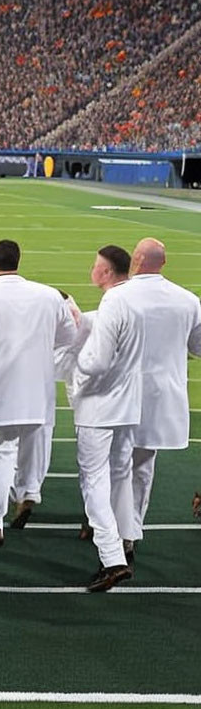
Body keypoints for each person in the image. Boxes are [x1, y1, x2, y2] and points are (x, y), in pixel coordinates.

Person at [0, 240, 76, 546]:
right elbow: (68, 336)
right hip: (38, 384)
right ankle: (29, 492)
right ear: (18, 261)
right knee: (36, 442)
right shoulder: (49, 295)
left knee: (2, 451)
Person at [119, 238, 201, 559]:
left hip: (121, 395)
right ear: (163, 263)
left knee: (115, 465)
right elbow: (198, 347)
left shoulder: (119, 296)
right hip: (163, 396)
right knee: (142, 465)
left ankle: (118, 530)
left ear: (135, 260)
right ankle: (132, 529)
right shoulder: (188, 300)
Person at [71, 246, 145, 592]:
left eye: (96, 265)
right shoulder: (136, 298)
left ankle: (112, 556)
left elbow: (96, 361)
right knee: (120, 475)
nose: (92, 269)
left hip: (99, 405)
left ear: (106, 272)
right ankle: (125, 542)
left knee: (94, 482)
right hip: (128, 404)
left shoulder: (113, 301)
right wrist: (80, 318)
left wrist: (77, 364)